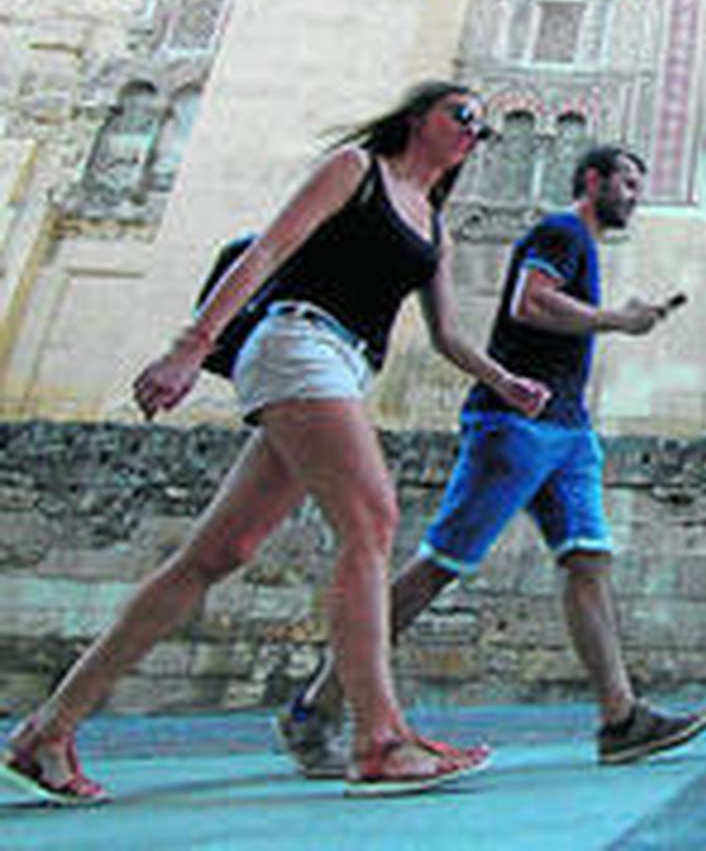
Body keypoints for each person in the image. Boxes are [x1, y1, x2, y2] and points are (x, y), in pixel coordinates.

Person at [1, 81, 549, 804]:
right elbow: (264, 254)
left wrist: (503, 379)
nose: (474, 133)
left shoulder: (434, 225)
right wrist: (189, 347)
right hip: (298, 341)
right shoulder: (356, 171)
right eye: (463, 115)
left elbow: (445, 333)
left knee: (214, 556)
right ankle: (380, 739)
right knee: (373, 521)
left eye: (482, 128)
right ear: (419, 117)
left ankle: (49, 729)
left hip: (345, 367)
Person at [278, 144, 706, 776]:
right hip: (513, 425)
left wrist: (617, 321)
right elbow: (529, 303)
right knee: (439, 567)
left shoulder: (582, 243)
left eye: (638, 185)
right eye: (625, 182)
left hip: (567, 428)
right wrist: (616, 320)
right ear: (591, 180)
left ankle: (620, 718)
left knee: (588, 559)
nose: (633, 195)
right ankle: (315, 708)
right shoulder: (560, 231)